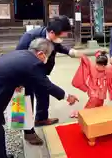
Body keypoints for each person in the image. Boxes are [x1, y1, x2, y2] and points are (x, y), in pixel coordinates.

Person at [0, 38, 79, 158]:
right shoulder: (33, 63)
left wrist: (18, 82)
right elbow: (46, 85)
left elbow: (13, 72)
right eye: (46, 56)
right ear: (40, 54)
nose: (45, 60)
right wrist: (68, 97)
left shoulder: (21, 54)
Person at [16, 15, 82, 145]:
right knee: (25, 100)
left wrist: (71, 52)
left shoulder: (53, 37)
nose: (61, 39)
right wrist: (18, 82)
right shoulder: (29, 37)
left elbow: (59, 47)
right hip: (25, 72)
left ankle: (41, 118)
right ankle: (28, 133)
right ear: (51, 32)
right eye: (61, 36)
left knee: (43, 92)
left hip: (41, 69)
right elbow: (17, 57)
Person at [70, 51, 112, 118]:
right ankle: (83, 113)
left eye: (99, 65)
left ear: (104, 66)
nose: (97, 66)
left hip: (102, 89)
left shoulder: (109, 69)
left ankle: (94, 114)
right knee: (93, 100)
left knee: (100, 102)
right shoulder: (92, 66)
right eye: (97, 64)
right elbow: (87, 62)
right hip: (93, 88)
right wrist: (82, 56)